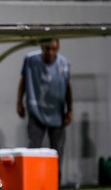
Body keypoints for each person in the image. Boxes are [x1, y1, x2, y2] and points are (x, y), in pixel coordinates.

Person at [16, 38, 73, 179]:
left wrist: (69, 110)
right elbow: (23, 81)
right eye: (47, 49)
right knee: (34, 148)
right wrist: (19, 102)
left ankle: (55, 182)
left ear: (58, 48)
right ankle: (33, 181)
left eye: (53, 49)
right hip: (36, 111)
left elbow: (67, 87)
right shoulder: (30, 61)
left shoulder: (64, 64)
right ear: (42, 47)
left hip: (57, 112)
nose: (50, 52)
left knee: (57, 150)